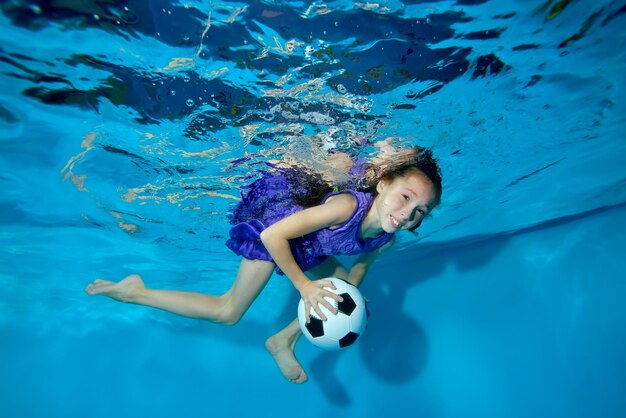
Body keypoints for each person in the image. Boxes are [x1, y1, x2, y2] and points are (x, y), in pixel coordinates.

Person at [85, 143, 443, 384]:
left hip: (309, 248)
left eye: (419, 211)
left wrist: (351, 290)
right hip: (276, 228)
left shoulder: (386, 236)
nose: (407, 213)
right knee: (228, 313)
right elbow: (274, 237)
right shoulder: (346, 208)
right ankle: (136, 292)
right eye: (405, 197)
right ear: (382, 184)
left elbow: (360, 268)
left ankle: (283, 340)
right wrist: (304, 286)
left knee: (348, 287)